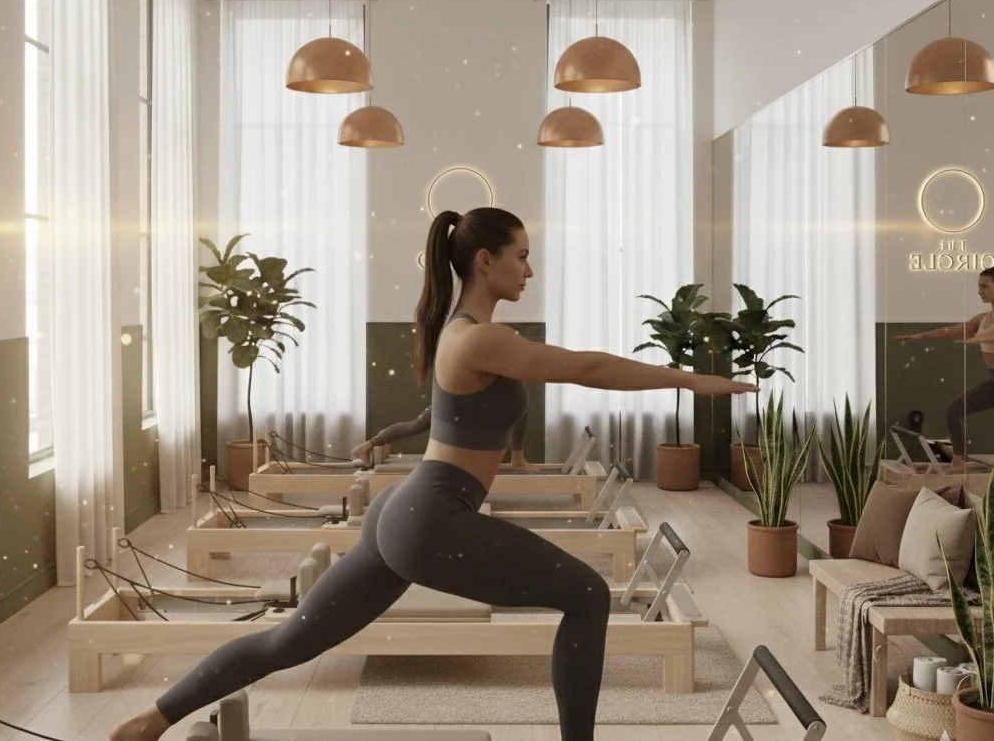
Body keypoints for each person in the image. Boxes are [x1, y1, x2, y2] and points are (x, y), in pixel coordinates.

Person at [110, 207, 757, 741]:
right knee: (586, 595)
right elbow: (586, 367)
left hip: (409, 510)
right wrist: (694, 379)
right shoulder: (477, 337)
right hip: (429, 516)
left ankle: (148, 720)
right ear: (486, 260)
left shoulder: (469, 332)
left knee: (286, 642)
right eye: (521, 255)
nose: (529, 268)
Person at [896, 266, 994, 468]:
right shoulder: (982, 319)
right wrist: (920, 336)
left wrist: (979, 338)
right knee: (953, 410)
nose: (980, 291)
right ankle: (959, 460)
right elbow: (949, 331)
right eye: (978, 287)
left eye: (985, 286)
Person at [352, 405, 540, 471]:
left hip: (456, 404)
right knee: (415, 426)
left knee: (414, 425)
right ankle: (366, 445)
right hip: (455, 405)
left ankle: (367, 445)